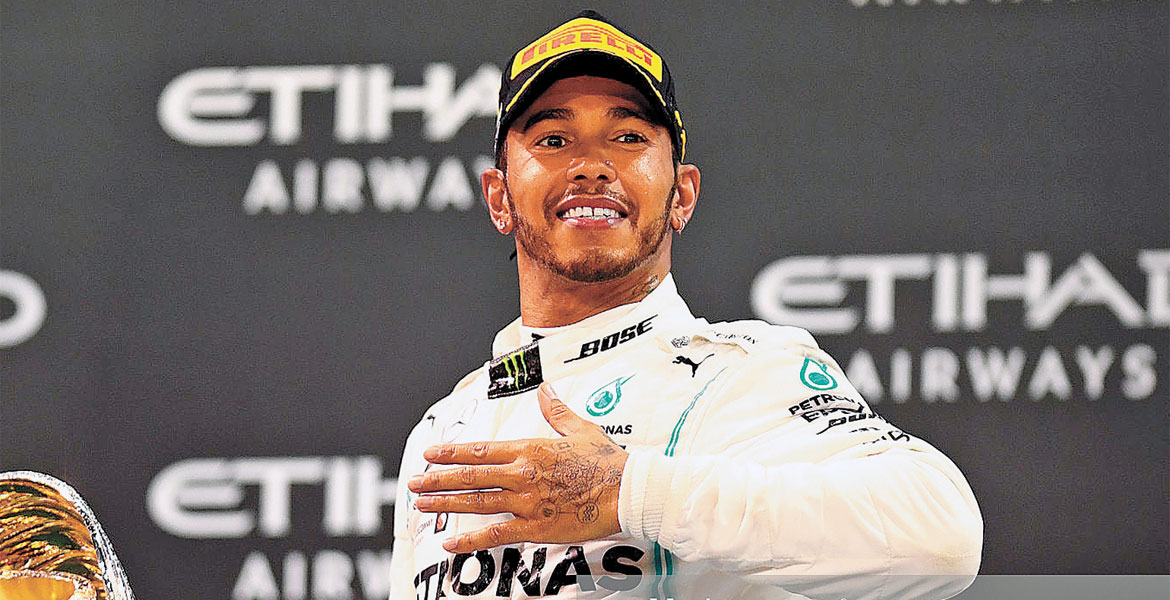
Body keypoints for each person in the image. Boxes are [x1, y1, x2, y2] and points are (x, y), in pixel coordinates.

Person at [389, 10, 982, 600]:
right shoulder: (446, 427)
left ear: (682, 195)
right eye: (553, 140)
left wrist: (630, 493)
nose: (591, 166)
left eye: (628, 138)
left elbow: (941, 538)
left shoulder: (739, 372)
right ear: (499, 198)